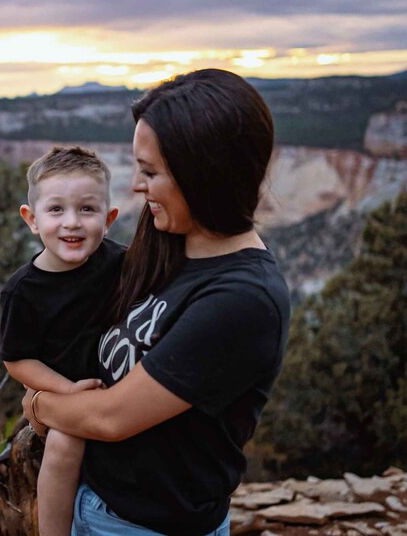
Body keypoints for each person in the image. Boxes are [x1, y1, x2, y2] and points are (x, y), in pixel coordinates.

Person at [22, 69, 291, 536]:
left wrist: (41, 406)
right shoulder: (168, 237)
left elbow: (112, 418)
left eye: (149, 172)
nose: (136, 187)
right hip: (90, 500)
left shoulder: (243, 302)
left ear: (202, 174)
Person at [0, 146, 125, 536]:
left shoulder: (125, 264)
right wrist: (67, 391)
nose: (72, 223)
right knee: (66, 445)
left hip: (124, 393)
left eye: (87, 210)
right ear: (31, 219)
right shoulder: (23, 291)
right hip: (68, 397)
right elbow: (17, 360)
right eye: (56, 210)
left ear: (108, 220)